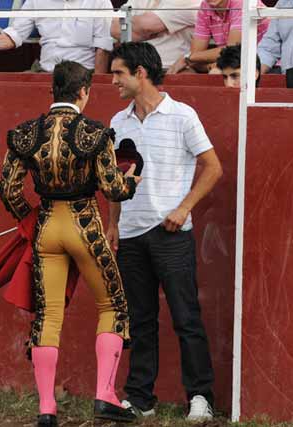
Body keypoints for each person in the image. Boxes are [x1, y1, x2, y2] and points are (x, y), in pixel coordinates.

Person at [0, 60, 140, 427]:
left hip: (47, 228)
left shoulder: (27, 133)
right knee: (113, 305)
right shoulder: (95, 133)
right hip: (85, 227)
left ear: (52, 92)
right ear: (84, 92)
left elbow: (8, 189)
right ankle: (105, 395)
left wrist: (28, 218)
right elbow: (112, 189)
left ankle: (46, 409)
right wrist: (132, 182)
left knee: (48, 317)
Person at [107, 42, 223, 422]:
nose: (113, 80)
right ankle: (140, 398)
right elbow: (114, 181)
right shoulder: (117, 122)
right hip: (132, 235)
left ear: (140, 73)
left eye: (119, 73)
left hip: (171, 234)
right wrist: (113, 224)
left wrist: (184, 207)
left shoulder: (182, 115)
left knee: (185, 317)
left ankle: (200, 397)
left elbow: (213, 167)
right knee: (140, 320)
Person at [0, 0, 114, 73]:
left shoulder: (100, 2)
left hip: (82, 76)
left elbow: (103, 49)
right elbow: (15, 35)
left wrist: (97, 86)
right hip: (45, 73)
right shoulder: (37, 1)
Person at [167, 0, 269, 74]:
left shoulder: (242, 2)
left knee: (215, 73)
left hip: (265, 64)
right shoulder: (205, 6)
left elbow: (231, 49)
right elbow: (196, 55)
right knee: (184, 73)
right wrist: (207, 65)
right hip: (234, 62)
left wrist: (187, 58)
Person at [110, 0, 201, 70]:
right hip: (135, 68)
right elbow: (113, 28)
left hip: (171, 68)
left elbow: (146, 26)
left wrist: (136, 31)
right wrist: (143, 31)